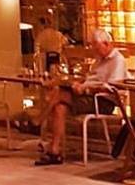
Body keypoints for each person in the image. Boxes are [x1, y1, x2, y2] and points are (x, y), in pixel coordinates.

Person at [36, 29, 127, 166]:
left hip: (102, 101)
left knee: (59, 93)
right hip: (88, 96)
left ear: (106, 44)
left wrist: (87, 88)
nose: (95, 51)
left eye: (97, 48)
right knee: (59, 107)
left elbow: (112, 87)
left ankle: (39, 120)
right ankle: (54, 151)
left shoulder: (117, 60)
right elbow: (90, 78)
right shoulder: (99, 60)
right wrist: (78, 83)